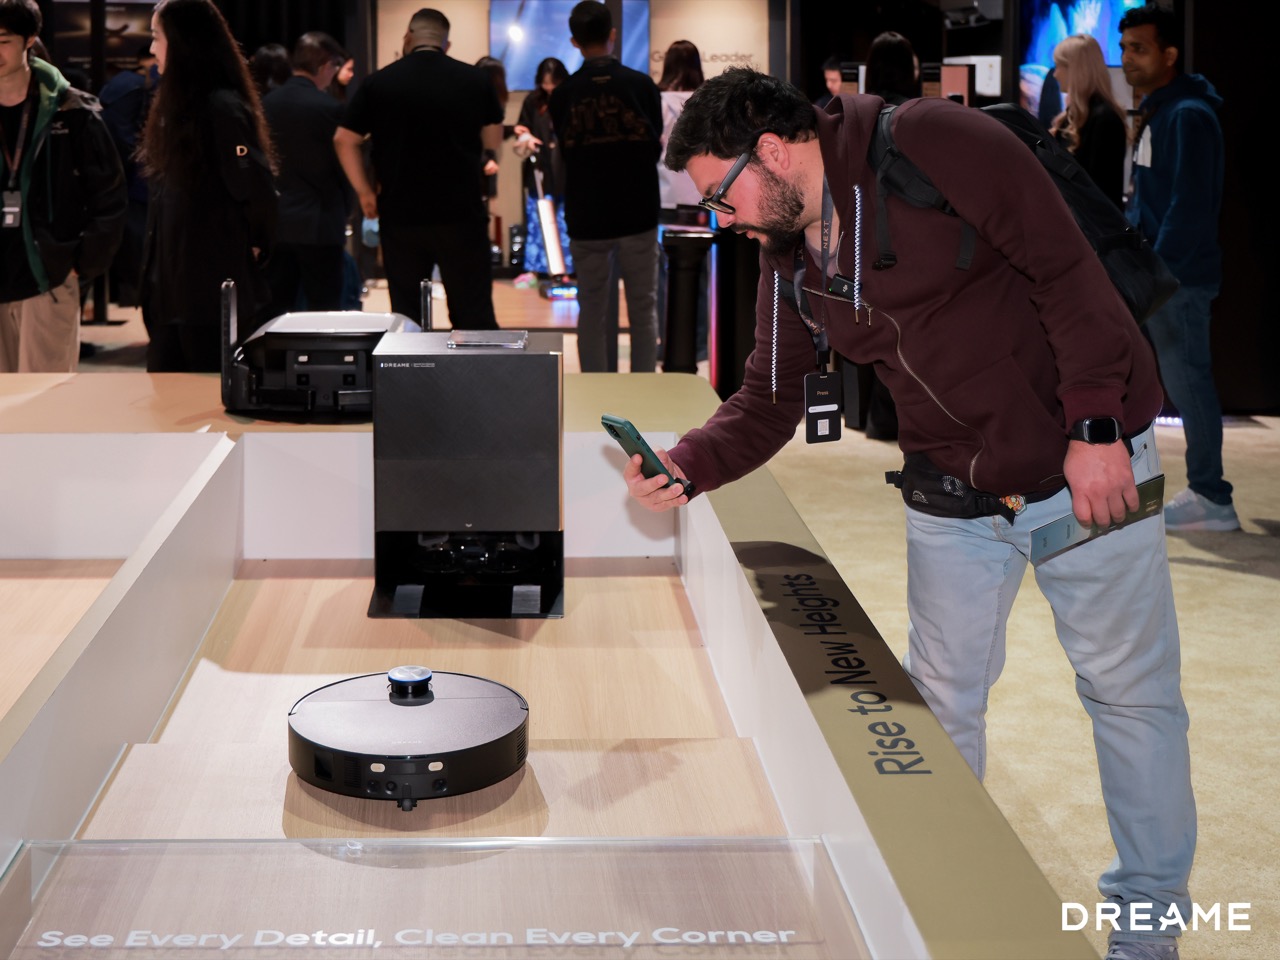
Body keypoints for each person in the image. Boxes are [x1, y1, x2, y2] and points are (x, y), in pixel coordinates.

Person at [634, 67, 1194, 960]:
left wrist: (1093, 425)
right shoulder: (790, 257)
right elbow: (772, 395)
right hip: (949, 490)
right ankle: (944, 906)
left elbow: (1065, 270)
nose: (720, 220)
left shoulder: (934, 143)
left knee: (1129, 701)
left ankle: (1148, 927)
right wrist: (689, 463)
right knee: (936, 709)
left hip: (1080, 464)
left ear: (770, 152)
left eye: (718, 195)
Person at [1120, 2, 1235, 533]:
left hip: (1178, 280)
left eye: (1138, 48)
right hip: (1166, 277)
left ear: (1169, 54)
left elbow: (1188, 206)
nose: (1128, 59)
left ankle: (1212, 496)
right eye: (1123, 48)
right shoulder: (1165, 110)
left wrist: (1157, 276)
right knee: (1177, 383)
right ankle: (1200, 491)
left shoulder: (1187, 114)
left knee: (1190, 385)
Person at [334, 8, 502, 330]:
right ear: (446, 43)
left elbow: (344, 140)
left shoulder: (378, 83)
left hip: (402, 215)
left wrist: (366, 193)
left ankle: (410, 379)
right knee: (473, 313)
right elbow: (492, 137)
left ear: (408, 37)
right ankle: (477, 378)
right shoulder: (475, 80)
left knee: (408, 315)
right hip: (461, 214)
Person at [138, 0, 278, 372]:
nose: (151, 49)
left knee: (207, 399)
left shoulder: (223, 108)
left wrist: (256, 243)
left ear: (183, 42)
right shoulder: (176, 108)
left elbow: (256, 189)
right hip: (172, 293)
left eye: (156, 37)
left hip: (208, 292)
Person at [0, 0, 126, 373]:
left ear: (30, 40)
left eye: (3, 40)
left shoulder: (71, 111)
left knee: (43, 405)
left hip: (47, 277)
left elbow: (110, 198)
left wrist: (79, 264)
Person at [549, 0, 662, 372]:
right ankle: (645, 385)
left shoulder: (563, 94)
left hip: (587, 215)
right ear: (612, 36)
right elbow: (655, 139)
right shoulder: (641, 85)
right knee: (644, 307)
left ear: (574, 41)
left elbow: (565, 150)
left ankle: (596, 391)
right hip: (639, 210)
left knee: (591, 309)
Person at [261, 31, 350, 318]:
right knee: (324, 311)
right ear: (326, 66)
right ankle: (321, 364)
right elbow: (343, 168)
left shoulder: (265, 105)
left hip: (276, 221)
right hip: (321, 222)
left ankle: (273, 364)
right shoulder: (331, 109)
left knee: (275, 310)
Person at [98, 43, 159, 309]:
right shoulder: (142, 85)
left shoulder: (119, 83)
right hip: (138, 186)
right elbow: (129, 140)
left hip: (114, 182)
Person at [1049, 34, 1127, 211]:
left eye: (1058, 66)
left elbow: (1099, 189)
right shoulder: (1072, 117)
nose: (1055, 74)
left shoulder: (1104, 119)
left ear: (1076, 69)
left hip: (1091, 230)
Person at [512, 56, 571, 278]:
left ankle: (564, 269)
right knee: (538, 218)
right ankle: (537, 268)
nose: (549, 88)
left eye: (552, 83)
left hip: (564, 168)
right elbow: (522, 127)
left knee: (563, 220)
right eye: (545, 83)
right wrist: (526, 136)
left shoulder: (569, 98)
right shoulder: (532, 101)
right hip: (539, 166)